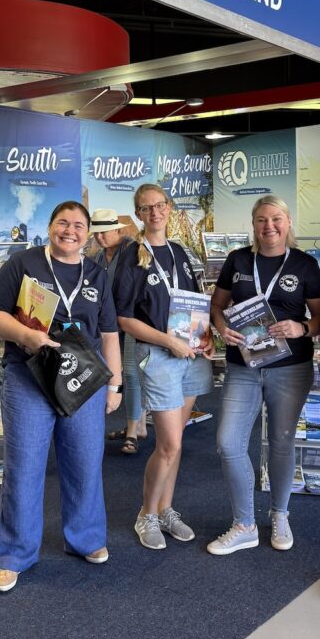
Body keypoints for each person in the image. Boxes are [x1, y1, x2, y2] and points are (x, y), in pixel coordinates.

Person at [0, 201, 122, 592]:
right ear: (50, 226)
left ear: (88, 232)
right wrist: (26, 336)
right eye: (63, 223)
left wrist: (115, 386)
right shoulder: (23, 264)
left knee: (84, 462)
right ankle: (14, 554)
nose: (70, 231)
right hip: (29, 376)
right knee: (24, 465)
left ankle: (86, 539)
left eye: (79, 225)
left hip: (83, 380)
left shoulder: (96, 274)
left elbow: (109, 333)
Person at [207, 195, 320, 555]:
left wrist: (302, 327)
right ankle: (244, 524)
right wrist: (220, 327)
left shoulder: (305, 264)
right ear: (253, 224)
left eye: (276, 219)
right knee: (228, 444)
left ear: (288, 223)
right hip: (243, 367)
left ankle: (280, 513)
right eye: (261, 220)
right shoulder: (238, 259)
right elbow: (217, 305)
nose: (269, 226)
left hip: (290, 369)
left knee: (281, 442)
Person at [112, 184, 214, 550]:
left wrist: (206, 336)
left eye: (160, 206)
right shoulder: (130, 256)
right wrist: (168, 340)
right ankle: (146, 514)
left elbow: (192, 306)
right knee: (168, 444)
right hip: (159, 357)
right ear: (138, 214)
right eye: (146, 208)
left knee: (178, 442)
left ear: (169, 208)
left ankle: (166, 508)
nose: (155, 213)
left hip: (190, 357)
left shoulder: (180, 252)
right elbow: (124, 319)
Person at [91, 207, 147, 454]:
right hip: (108, 324)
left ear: (117, 230)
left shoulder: (134, 251)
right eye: (96, 233)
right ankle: (139, 425)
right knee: (116, 372)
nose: (100, 237)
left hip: (132, 320)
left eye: (105, 232)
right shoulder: (99, 257)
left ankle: (133, 433)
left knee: (132, 375)